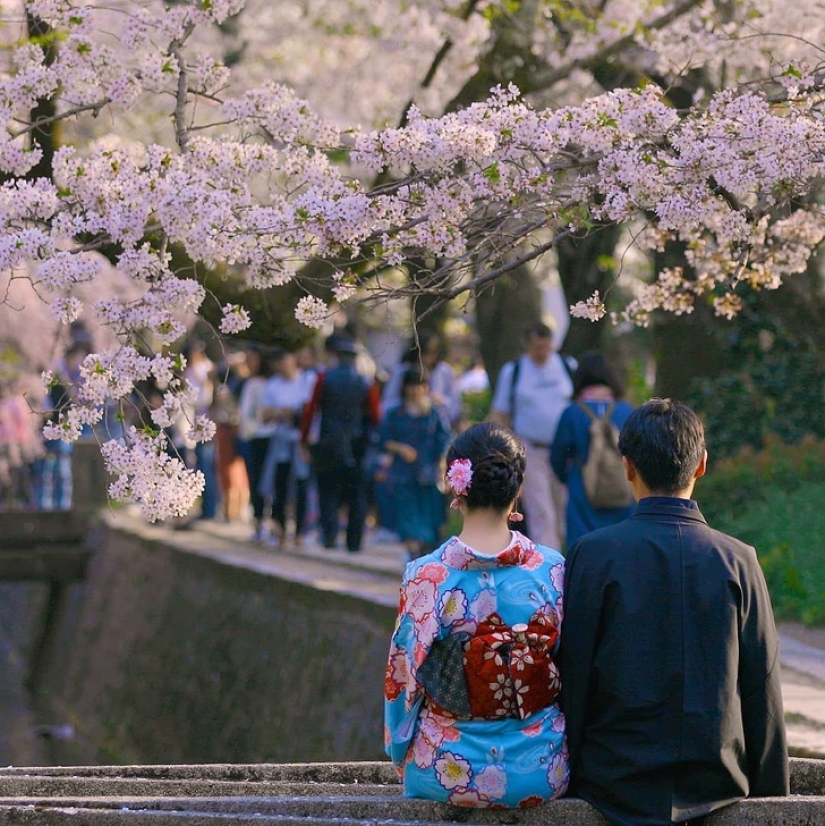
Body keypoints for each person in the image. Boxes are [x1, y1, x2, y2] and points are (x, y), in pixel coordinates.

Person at [559, 399, 789, 826]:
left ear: (627, 466)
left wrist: (564, 777)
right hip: (716, 779)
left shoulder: (593, 554)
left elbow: (573, 679)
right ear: (701, 464)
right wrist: (774, 798)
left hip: (613, 779)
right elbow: (762, 688)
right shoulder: (739, 560)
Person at [384, 422, 569, 808]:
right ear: (517, 489)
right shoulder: (553, 570)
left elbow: (402, 679)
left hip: (447, 768)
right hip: (540, 768)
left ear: (456, 485)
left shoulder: (427, 575)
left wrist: (399, 749)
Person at [488, 321, 574, 549]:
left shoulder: (567, 366)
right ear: (527, 344)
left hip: (565, 450)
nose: (541, 352)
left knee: (566, 507)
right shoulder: (514, 371)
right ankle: (549, 563)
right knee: (541, 511)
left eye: (545, 346)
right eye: (537, 347)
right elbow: (501, 413)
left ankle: (570, 557)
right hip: (531, 449)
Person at [300, 335, 380, 552]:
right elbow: (374, 416)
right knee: (356, 494)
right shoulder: (365, 382)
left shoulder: (323, 378)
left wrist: (304, 439)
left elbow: (311, 411)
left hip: (328, 441)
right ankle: (353, 542)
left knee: (327, 490)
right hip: (357, 444)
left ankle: (329, 535)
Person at [550, 352, 635, 546]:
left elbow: (557, 458)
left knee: (583, 549)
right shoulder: (626, 410)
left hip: (582, 490)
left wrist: (568, 477)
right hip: (621, 488)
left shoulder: (572, 413)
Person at [379, 367, 452, 560]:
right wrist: (400, 449)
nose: (416, 391)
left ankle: (427, 557)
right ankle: (413, 553)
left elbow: (444, 439)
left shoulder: (434, 413)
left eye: (420, 386)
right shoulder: (395, 413)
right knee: (407, 518)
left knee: (431, 519)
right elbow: (383, 439)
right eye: (412, 386)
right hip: (403, 474)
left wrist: (442, 463)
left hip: (429, 474)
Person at [258, 348, 315, 548]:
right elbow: (264, 416)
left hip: (301, 440)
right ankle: (279, 527)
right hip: (281, 439)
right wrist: (281, 413)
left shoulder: (308, 380)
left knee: (302, 485)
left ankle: (301, 531)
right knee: (280, 484)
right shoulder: (272, 385)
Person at [382, 330, 462, 428]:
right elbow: (387, 404)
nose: (428, 359)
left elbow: (455, 406)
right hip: (405, 426)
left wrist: (441, 401)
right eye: (424, 354)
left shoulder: (443, 371)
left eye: (432, 354)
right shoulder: (402, 371)